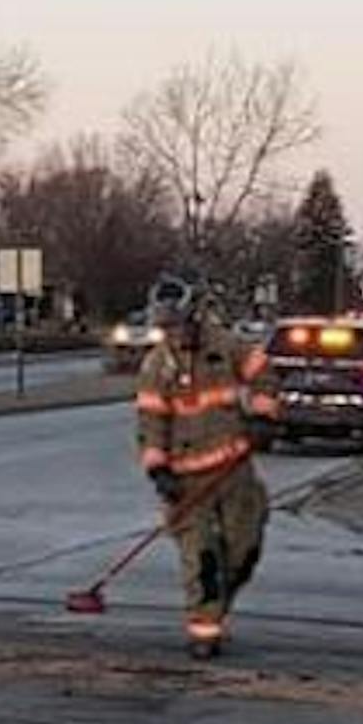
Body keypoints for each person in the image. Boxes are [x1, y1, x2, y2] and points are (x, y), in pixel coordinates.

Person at [133, 274, 271, 658]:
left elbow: (264, 373)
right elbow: (150, 422)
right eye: (165, 327)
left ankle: (218, 607)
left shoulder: (227, 348)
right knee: (202, 556)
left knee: (243, 549)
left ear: (193, 316)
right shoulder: (156, 367)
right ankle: (204, 632)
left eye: (177, 325)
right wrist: (159, 470)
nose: (173, 334)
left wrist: (263, 415)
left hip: (233, 470)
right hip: (186, 481)